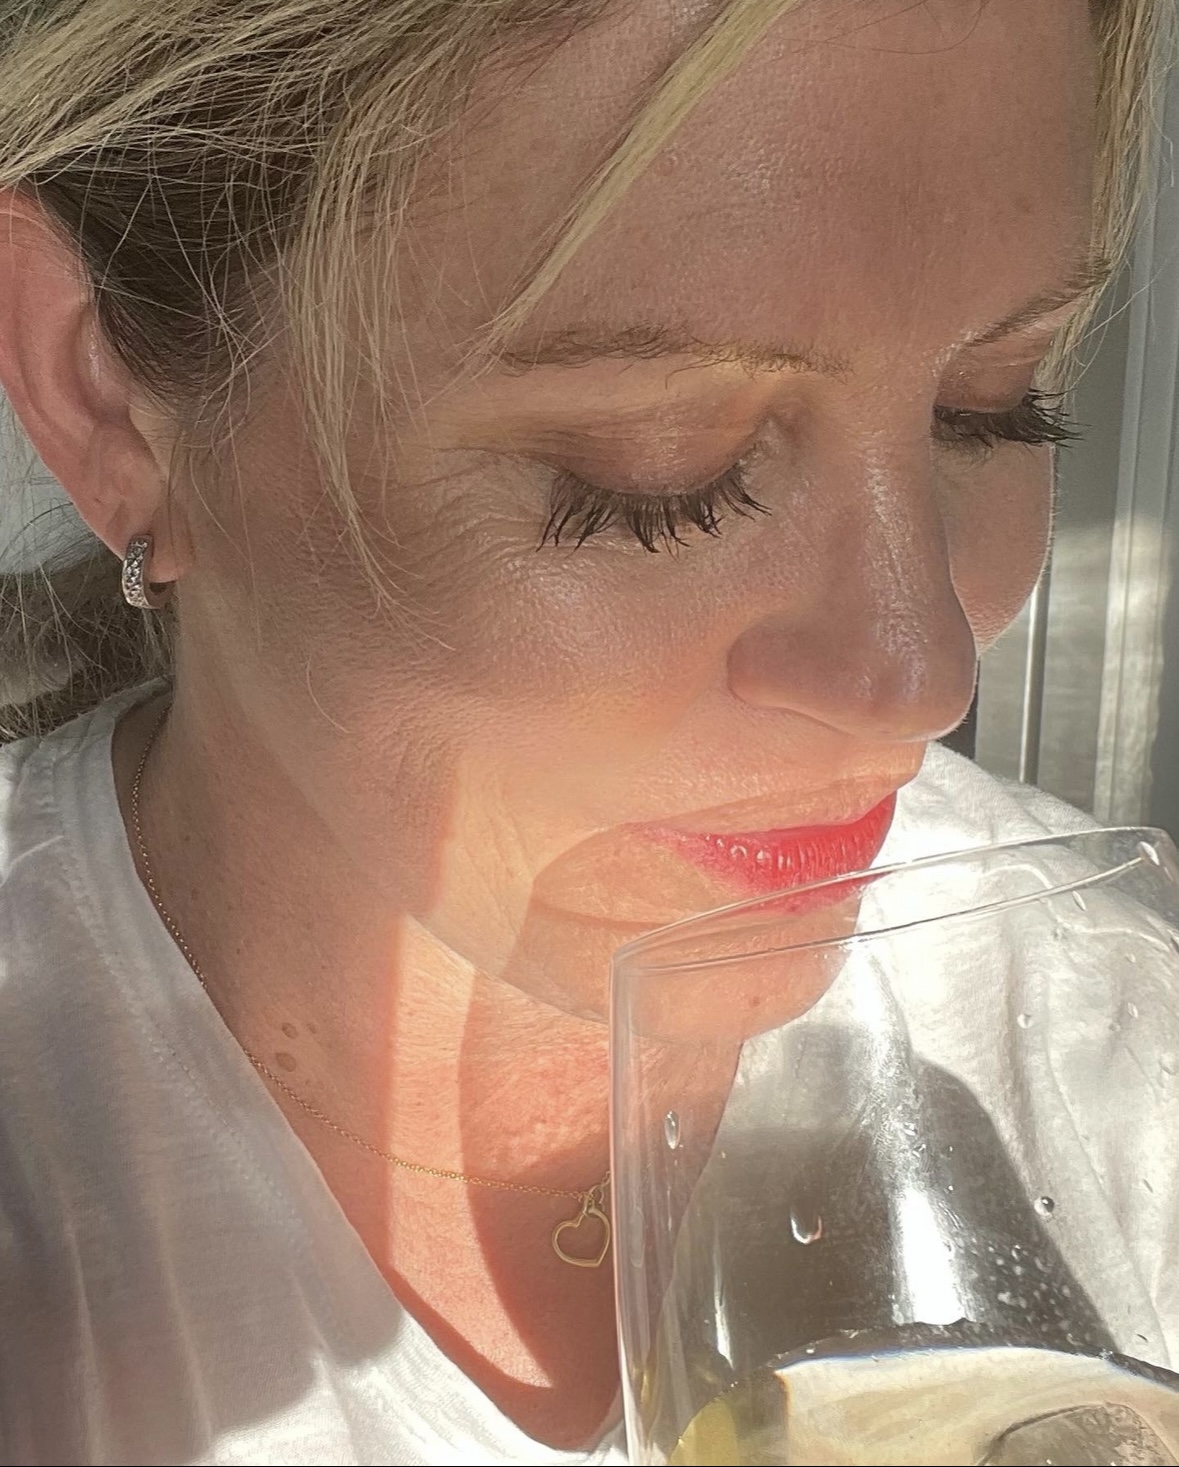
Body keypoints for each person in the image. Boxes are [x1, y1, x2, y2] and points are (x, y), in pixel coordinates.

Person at [0, 0, 1168, 1462]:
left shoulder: (1120, 1044)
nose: (922, 673)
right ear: (105, 395)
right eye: (663, 474)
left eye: (994, 408)